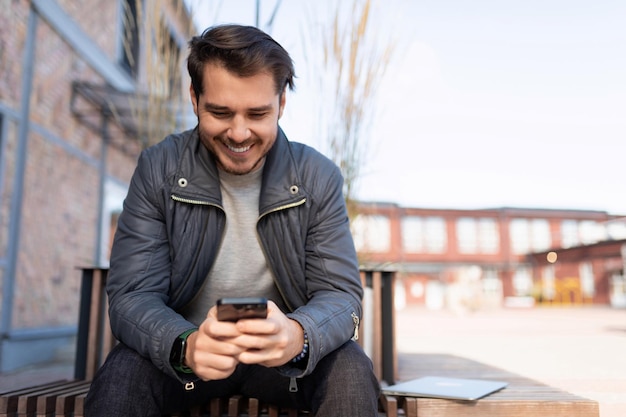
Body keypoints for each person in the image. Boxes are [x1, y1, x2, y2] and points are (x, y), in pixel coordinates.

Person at [85, 24, 380, 416]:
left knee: (351, 371)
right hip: (187, 356)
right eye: (220, 112)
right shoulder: (158, 168)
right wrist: (185, 345)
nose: (239, 133)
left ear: (281, 105)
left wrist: (297, 336)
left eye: (258, 114)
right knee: (121, 378)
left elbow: (341, 296)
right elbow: (131, 295)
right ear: (194, 98)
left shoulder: (317, 176)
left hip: (283, 362)